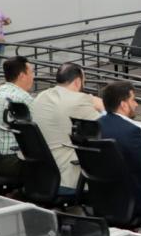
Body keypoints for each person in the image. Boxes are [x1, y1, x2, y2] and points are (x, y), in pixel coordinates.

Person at [29, 63, 103, 192]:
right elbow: (107, 127)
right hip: (66, 176)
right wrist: (102, 105)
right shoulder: (79, 100)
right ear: (78, 81)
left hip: (40, 173)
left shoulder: (41, 96)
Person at [96, 79, 141, 218]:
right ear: (123, 105)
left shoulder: (96, 125)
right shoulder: (132, 131)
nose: (136, 104)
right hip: (135, 199)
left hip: (105, 197)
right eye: (133, 100)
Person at [0, 56, 35, 180]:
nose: (33, 77)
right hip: (12, 159)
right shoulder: (23, 98)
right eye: (31, 72)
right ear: (21, 75)